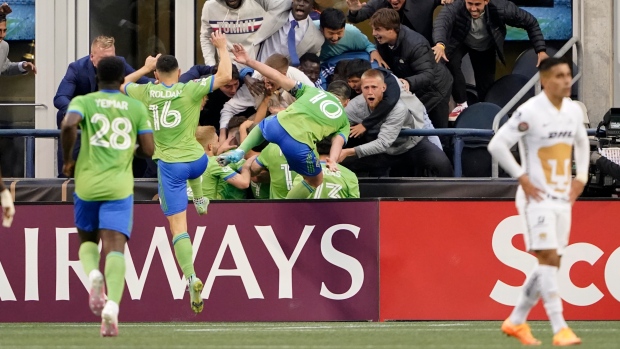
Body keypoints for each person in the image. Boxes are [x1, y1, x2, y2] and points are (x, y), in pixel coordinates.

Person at [121, 32, 233, 314]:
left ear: (157, 74)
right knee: (194, 165)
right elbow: (225, 75)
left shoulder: (145, 91)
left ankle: (192, 277)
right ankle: (200, 199)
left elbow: (122, 84)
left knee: (178, 229)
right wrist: (221, 47)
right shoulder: (190, 88)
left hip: (171, 167)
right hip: (199, 161)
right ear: (180, 73)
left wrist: (145, 69)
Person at [487, 57, 588, 346]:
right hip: (535, 198)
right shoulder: (529, 111)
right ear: (544, 80)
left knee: (552, 262)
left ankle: (516, 321)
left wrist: (580, 178)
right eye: (559, 76)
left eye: (568, 75)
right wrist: (522, 177)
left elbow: (581, 142)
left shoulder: (572, 110)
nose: (566, 81)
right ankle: (560, 327)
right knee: (547, 257)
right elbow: (497, 144)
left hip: (562, 197)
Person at [59, 56, 155, 336]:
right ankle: (112, 306)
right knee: (115, 247)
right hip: (119, 186)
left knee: (87, 240)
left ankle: (93, 276)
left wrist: (67, 160)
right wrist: (132, 149)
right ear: (123, 79)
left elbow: (68, 125)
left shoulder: (84, 101)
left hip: (87, 184)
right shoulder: (135, 107)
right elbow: (148, 149)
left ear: (97, 78)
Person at [218, 43, 350, 199]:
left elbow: (278, 77)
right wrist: (333, 160)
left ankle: (241, 150)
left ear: (329, 92)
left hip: (275, 124)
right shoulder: (344, 121)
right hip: (298, 144)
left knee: (264, 125)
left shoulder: (311, 91)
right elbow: (337, 143)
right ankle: (287, 206)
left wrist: (248, 61)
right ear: (346, 102)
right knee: (315, 180)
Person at [432, 0, 548, 120]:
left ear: (486, 1)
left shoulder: (502, 8)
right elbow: (442, 22)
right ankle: (462, 104)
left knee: (485, 87)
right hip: (461, 39)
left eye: (477, 4)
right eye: (470, 3)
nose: (473, 8)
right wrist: (440, 44)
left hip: (485, 46)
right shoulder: (457, 6)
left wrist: (541, 50)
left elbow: (531, 22)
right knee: (450, 60)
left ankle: (484, 117)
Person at [54, 35, 151, 177]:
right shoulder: (76, 69)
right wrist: (79, 114)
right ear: (92, 57)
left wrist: (159, 82)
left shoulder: (119, 65)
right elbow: (60, 97)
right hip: (81, 122)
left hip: (111, 122)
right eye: (103, 60)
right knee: (71, 172)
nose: (109, 64)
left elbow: (143, 81)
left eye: (112, 59)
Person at [340, 69, 453, 177]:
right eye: (366, 88)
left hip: (411, 145)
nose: (370, 92)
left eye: (374, 87)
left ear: (383, 88)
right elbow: (337, 125)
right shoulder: (355, 105)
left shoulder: (398, 107)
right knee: (340, 163)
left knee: (442, 164)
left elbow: (383, 143)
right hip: (384, 152)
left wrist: (348, 151)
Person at [370, 9, 452, 130]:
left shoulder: (416, 45)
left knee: (438, 131)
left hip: (436, 89)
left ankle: (446, 148)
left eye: (377, 29)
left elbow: (428, 75)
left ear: (391, 29)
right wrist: (372, 51)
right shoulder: (382, 40)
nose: (373, 33)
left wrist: (408, 82)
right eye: (373, 29)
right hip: (414, 87)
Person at [219, 54, 313, 142]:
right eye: (265, 74)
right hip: (265, 125)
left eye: (270, 77)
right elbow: (228, 108)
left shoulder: (298, 79)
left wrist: (285, 111)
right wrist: (222, 136)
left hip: (298, 121)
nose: (266, 80)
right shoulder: (256, 83)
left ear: (283, 75)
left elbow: (317, 103)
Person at [200, 0, 278, 66]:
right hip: (227, 69)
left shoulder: (260, 4)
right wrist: (210, 66)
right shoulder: (210, 6)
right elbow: (206, 37)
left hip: (256, 67)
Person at [346, 0, 453, 44]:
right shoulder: (378, 3)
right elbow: (356, 18)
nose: (394, 1)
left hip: (423, 44)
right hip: (390, 51)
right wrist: (354, 11)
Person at [254, 0, 324, 66]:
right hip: (256, 67)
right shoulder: (278, 8)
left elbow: (309, 66)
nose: (301, 4)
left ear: (312, 8)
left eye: (306, 1)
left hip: (280, 76)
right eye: (298, 0)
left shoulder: (316, 40)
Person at [316, 8, 387, 70]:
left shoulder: (352, 32)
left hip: (351, 59)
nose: (335, 38)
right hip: (325, 63)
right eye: (331, 33)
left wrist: (374, 51)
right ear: (321, 29)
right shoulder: (311, 31)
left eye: (339, 32)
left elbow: (369, 45)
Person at [195, 126, 253, 200]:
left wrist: (219, 151)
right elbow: (244, 183)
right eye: (217, 141)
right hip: (206, 208)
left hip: (185, 208)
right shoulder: (216, 162)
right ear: (210, 146)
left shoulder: (182, 161)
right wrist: (246, 167)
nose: (219, 144)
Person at [294, 138, 360, 198]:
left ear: (316, 148)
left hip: (310, 211)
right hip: (338, 211)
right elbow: (354, 206)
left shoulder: (304, 173)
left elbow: (295, 201)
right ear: (338, 149)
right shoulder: (349, 175)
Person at [0, 3, 36, 76]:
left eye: (4, 31)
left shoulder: (3, 46)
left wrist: (23, 66)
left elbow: (4, 67)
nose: (2, 35)